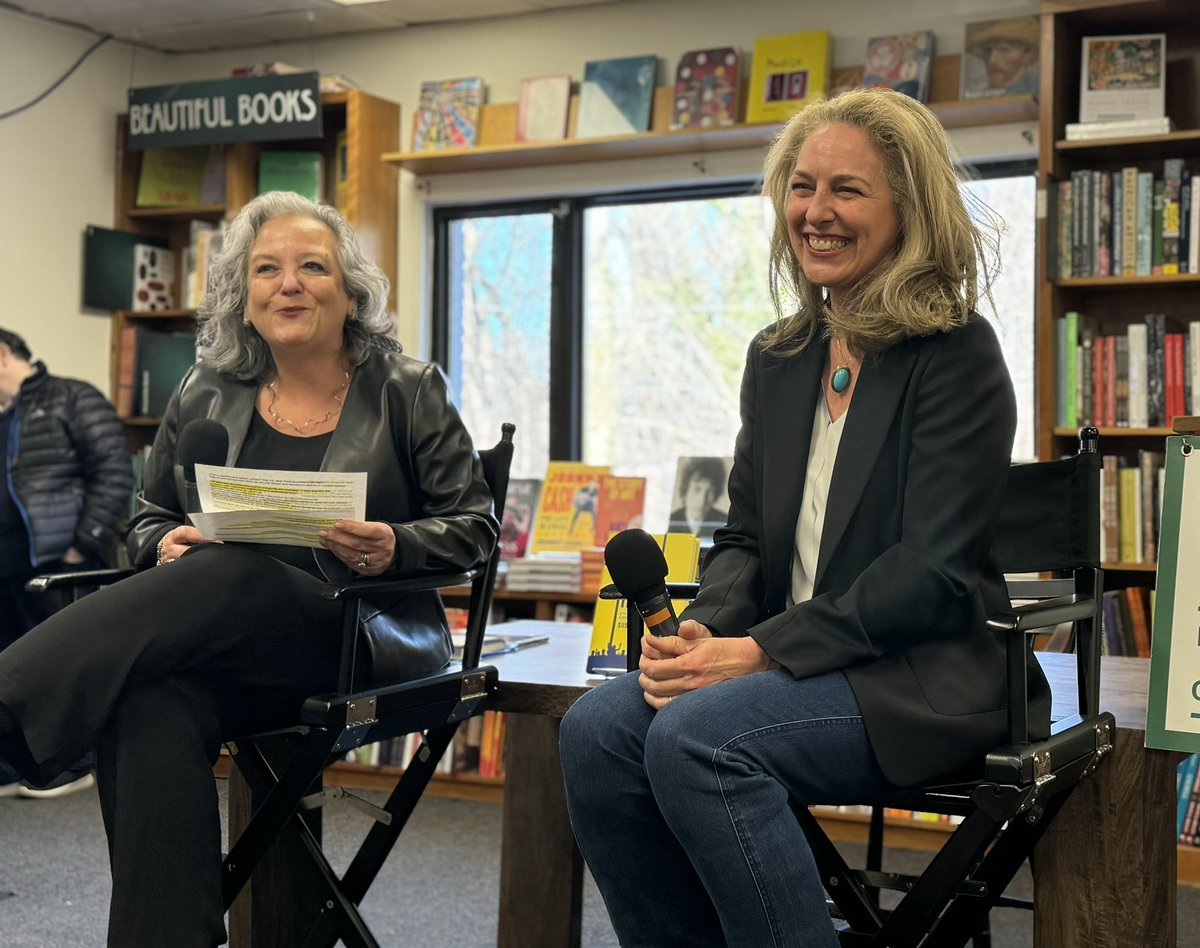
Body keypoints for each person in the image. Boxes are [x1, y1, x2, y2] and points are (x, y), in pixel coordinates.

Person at [558, 87, 1049, 947]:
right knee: (597, 730)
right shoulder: (777, 357)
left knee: (699, 742)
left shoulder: (958, 354)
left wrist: (760, 651)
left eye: (847, 190)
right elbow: (745, 540)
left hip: (926, 679)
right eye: (801, 186)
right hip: (794, 665)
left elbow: (931, 573)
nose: (816, 212)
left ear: (908, 209)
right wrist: (703, 634)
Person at [0, 191, 497, 947]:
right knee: (150, 705)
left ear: (350, 290)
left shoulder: (407, 388)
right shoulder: (206, 387)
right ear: (243, 293)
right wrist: (165, 546)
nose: (287, 283)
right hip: (227, 647)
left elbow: (476, 528)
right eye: (266, 269)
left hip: (359, 639)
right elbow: (151, 516)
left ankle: (12, 701)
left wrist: (396, 544)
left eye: (311, 267)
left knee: (236, 574)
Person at [0, 327, 133, 799]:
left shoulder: (72, 397)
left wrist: (82, 545)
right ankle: (11, 769)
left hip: (55, 563)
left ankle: (73, 766)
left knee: (58, 671)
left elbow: (114, 473)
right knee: (8, 673)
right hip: (5, 565)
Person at [964, 16, 1040, 96]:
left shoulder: (1037, 92)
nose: (992, 61)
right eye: (987, 51)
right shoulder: (981, 96)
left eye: (1004, 50)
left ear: (1028, 55)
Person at [667, 455, 728, 539]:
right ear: (685, 490)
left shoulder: (725, 522)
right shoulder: (669, 521)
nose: (702, 499)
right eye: (697, 489)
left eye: (710, 492)